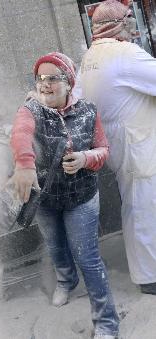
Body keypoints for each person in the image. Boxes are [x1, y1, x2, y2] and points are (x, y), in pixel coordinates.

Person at [10, 52, 119, 339]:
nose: (44, 84)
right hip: (45, 199)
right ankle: (65, 280)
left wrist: (85, 158)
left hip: (82, 197)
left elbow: (104, 150)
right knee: (57, 247)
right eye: (40, 79)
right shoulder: (31, 110)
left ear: (69, 83)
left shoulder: (88, 111)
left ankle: (107, 323)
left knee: (88, 258)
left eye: (53, 78)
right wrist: (24, 164)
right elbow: (21, 133)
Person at [75, 0, 156, 296]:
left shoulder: (92, 55)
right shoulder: (125, 54)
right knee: (145, 206)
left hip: (122, 141)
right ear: (117, 24)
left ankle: (148, 270)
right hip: (139, 143)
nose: (133, 25)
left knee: (138, 204)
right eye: (128, 19)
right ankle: (149, 276)